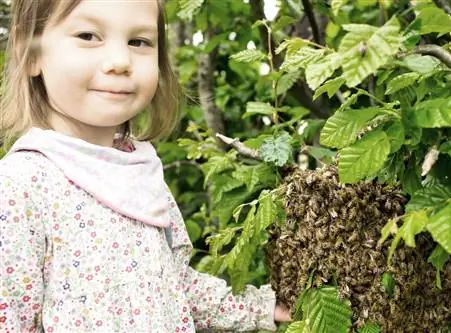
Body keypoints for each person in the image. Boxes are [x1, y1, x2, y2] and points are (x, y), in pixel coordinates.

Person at [0, 0, 291, 332]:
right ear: (31, 52)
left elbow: (173, 284)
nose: (120, 61)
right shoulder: (19, 188)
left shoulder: (141, 171)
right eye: (88, 35)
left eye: (138, 42)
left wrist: (261, 308)